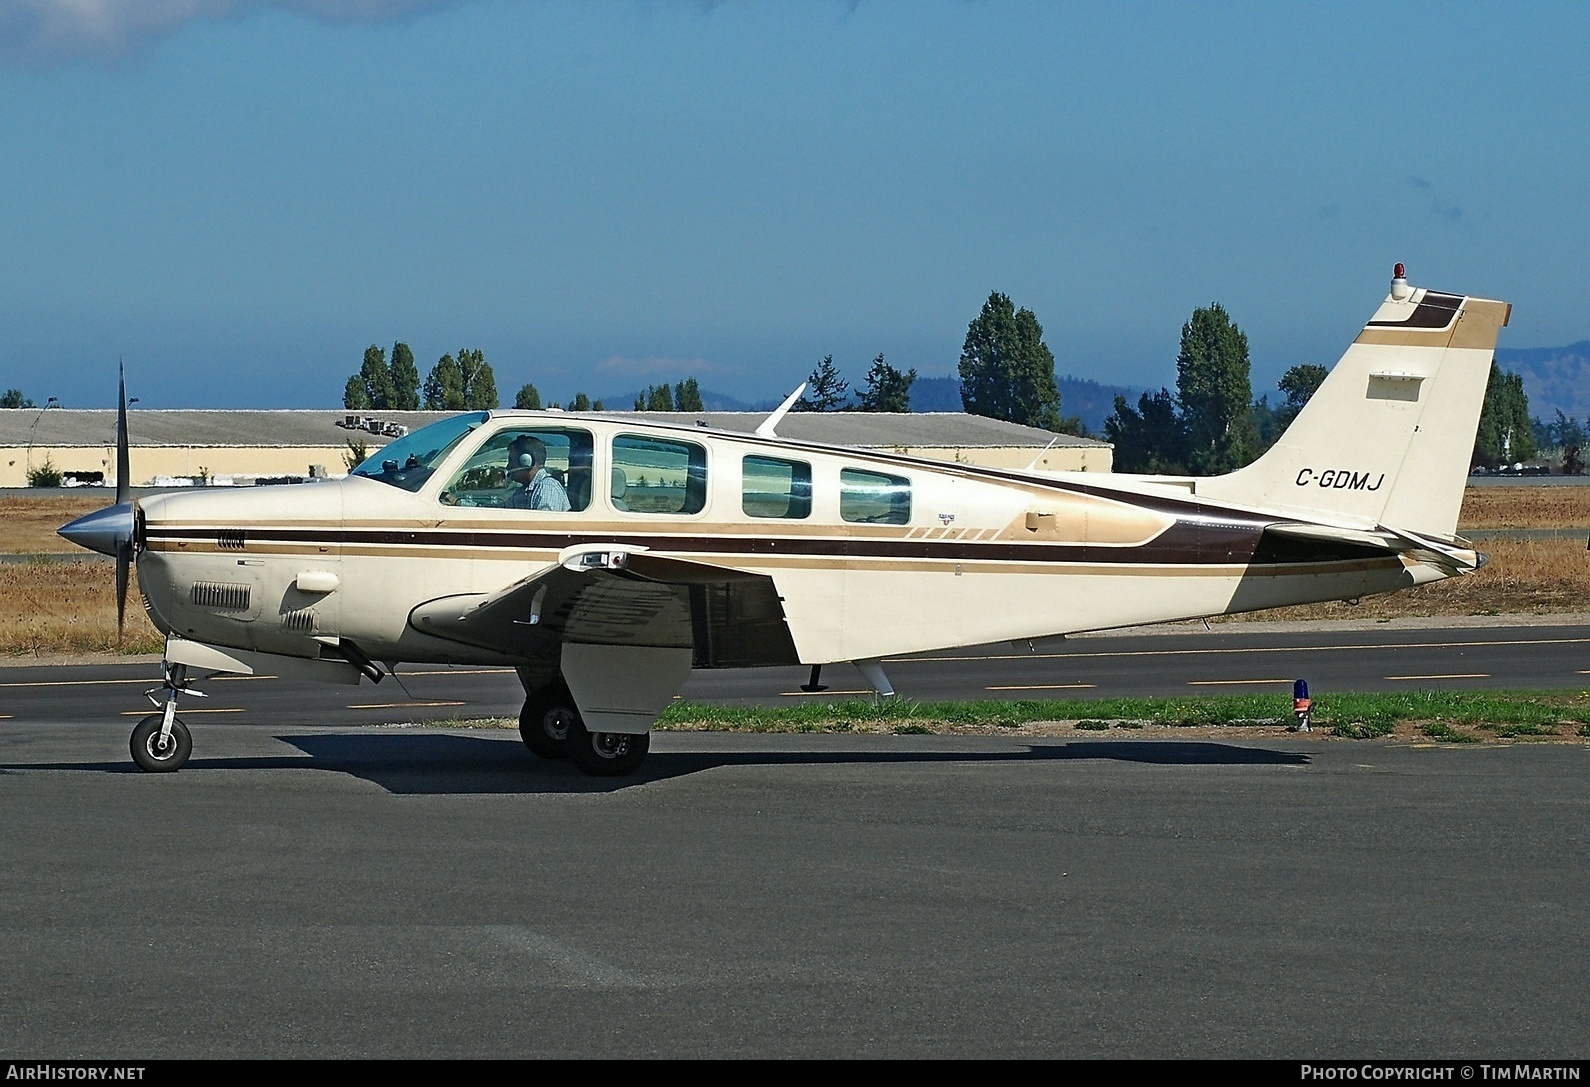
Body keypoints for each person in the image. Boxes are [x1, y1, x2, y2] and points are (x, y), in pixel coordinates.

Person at [505, 434, 571, 511]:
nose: (508, 467)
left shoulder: (548, 488)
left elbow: (542, 523)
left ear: (526, 461)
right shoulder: (521, 491)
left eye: (511, 461)